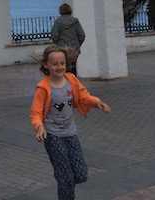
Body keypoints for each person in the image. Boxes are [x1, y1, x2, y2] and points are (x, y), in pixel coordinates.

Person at [30, 45, 111, 200]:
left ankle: (60, 171)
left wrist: (97, 102)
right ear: (46, 65)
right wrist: (39, 128)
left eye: (62, 63)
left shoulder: (71, 80)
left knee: (81, 174)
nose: (59, 67)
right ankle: (61, 174)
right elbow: (36, 112)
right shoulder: (43, 87)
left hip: (71, 133)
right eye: (55, 64)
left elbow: (83, 96)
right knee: (66, 179)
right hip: (52, 135)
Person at [51, 3, 86, 76]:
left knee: (63, 67)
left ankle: (65, 83)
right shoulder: (75, 21)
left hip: (62, 48)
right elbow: (82, 35)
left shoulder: (58, 22)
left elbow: (54, 35)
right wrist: (77, 44)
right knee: (73, 67)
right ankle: (73, 82)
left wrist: (58, 44)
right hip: (74, 49)